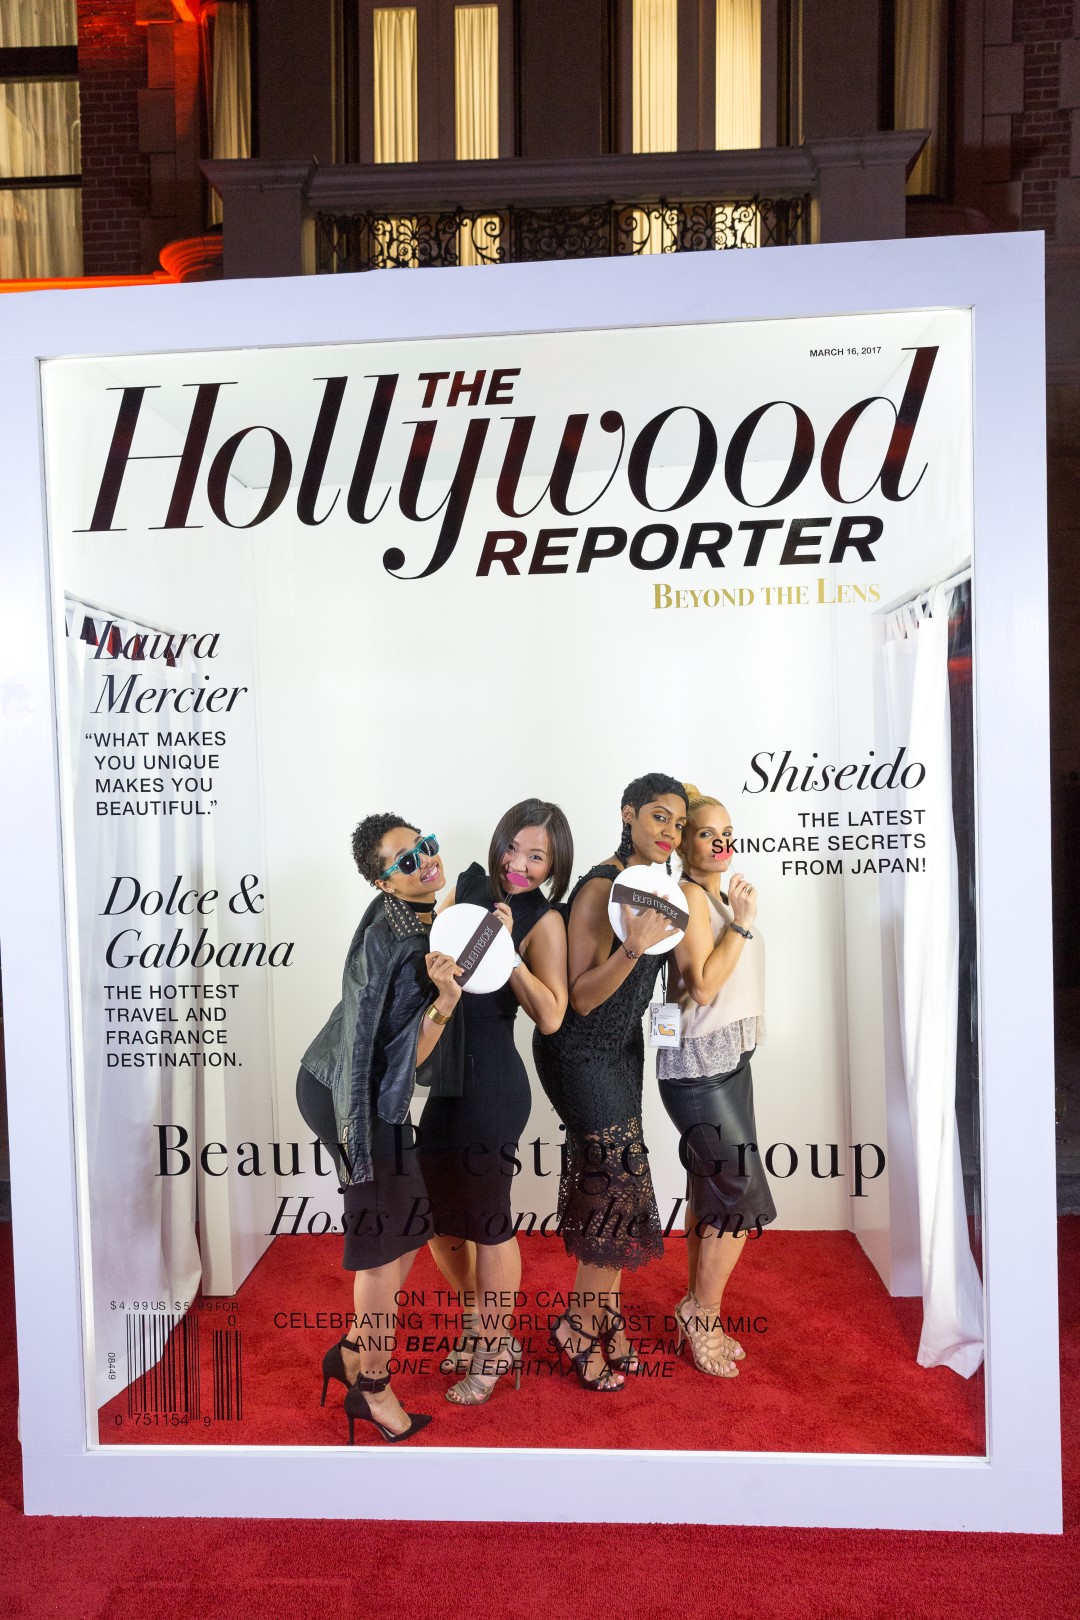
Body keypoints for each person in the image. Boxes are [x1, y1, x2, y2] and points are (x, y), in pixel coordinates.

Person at [296, 815, 463, 1444]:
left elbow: (404, 1051)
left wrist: (474, 942)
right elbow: (370, 1043)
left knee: (409, 1228)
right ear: (382, 882)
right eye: (405, 860)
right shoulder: (389, 940)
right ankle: (371, 1386)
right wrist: (360, 1145)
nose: (425, 860)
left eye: (425, 846)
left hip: (373, 1095)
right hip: (348, 1096)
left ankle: (349, 1353)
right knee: (382, 1244)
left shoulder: (420, 919)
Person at [532, 773, 688, 1391]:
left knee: (622, 1188)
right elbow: (580, 1001)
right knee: (613, 1185)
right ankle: (577, 1323)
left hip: (623, 1050)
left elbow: (656, 990)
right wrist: (635, 946)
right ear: (628, 815)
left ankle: (607, 1316)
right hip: (579, 1050)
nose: (669, 832)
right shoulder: (600, 887)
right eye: (657, 817)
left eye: (677, 823)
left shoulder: (658, 882)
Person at [421, 799, 572, 1405]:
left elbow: (553, 1015)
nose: (519, 863)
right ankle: (477, 1316)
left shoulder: (546, 920)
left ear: (552, 864)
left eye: (537, 856)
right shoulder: (469, 886)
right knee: (434, 1213)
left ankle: (493, 1343)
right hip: (447, 1076)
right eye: (514, 847)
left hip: (494, 1085)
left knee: (489, 1223)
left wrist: (506, 951)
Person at [658, 787, 776, 1377]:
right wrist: (746, 926)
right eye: (706, 832)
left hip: (730, 1063)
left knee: (713, 1191)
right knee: (740, 1196)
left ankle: (701, 1311)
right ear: (682, 842)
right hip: (698, 1070)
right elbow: (702, 987)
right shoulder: (688, 897)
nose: (721, 840)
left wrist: (739, 915)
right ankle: (700, 1313)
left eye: (726, 830)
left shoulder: (716, 893)